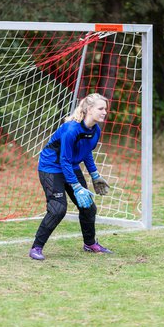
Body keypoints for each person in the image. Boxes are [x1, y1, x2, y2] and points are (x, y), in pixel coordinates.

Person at [29, 93, 112, 260]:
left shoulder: (95, 130)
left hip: (69, 167)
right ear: (89, 109)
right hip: (51, 168)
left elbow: (85, 151)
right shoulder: (71, 129)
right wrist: (75, 186)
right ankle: (36, 247)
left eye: (105, 109)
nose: (105, 112)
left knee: (88, 207)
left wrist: (95, 175)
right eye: (101, 108)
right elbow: (64, 159)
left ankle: (90, 244)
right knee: (58, 209)